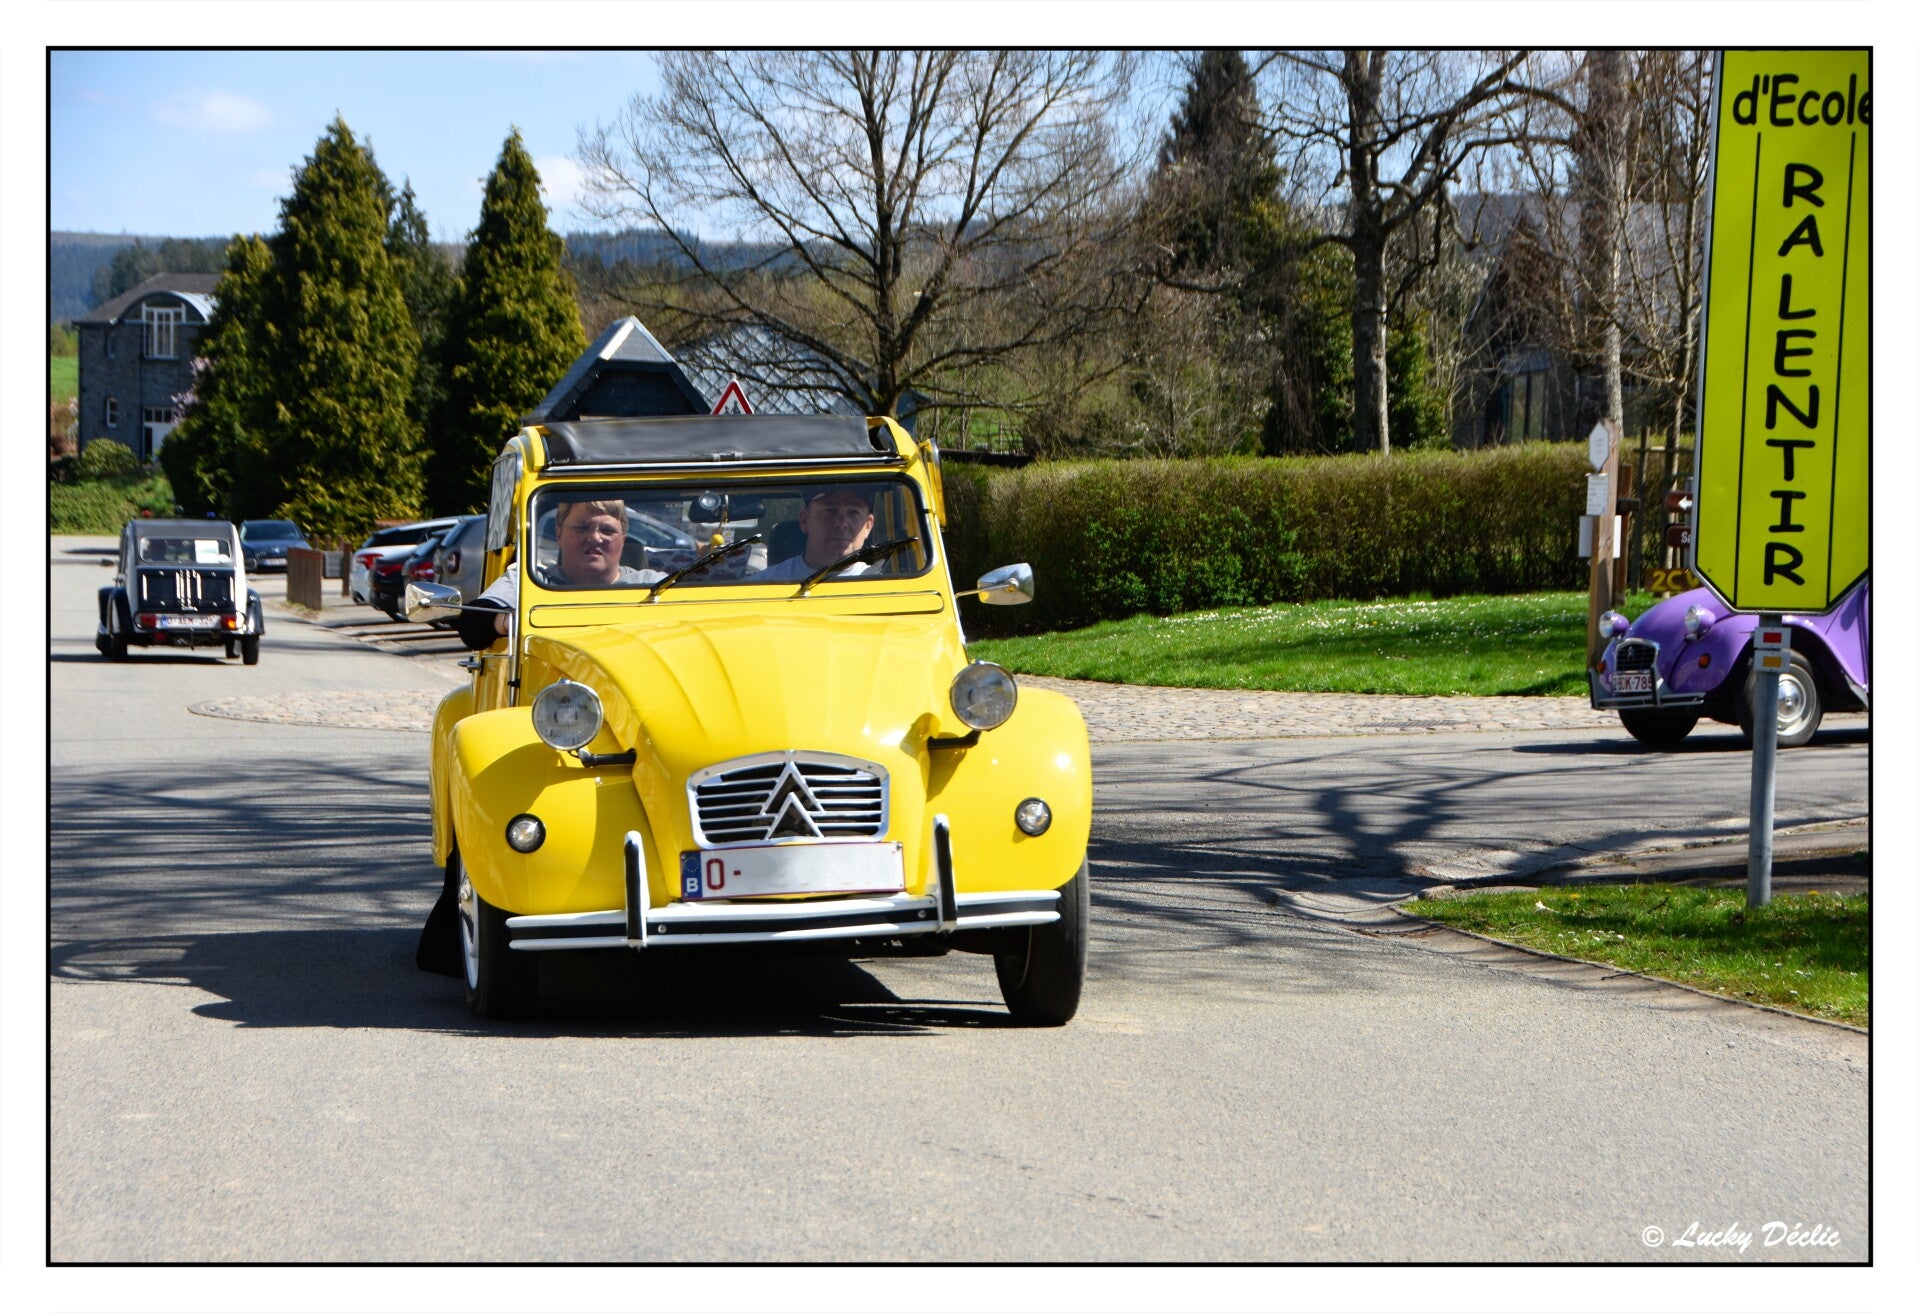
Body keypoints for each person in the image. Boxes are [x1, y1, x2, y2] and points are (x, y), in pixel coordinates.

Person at [456, 497, 660, 649]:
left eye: (607, 530)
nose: (595, 538)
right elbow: (472, 623)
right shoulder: (532, 581)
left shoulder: (655, 586)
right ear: (559, 533)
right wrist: (507, 622)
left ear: (623, 537)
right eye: (582, 528)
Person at [752, 486, 880, 582]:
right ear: (805, 520)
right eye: (830, 511)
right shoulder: (760, 586)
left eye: (853, 512)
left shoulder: (884, 583)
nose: (842, 523)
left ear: (868, 526)